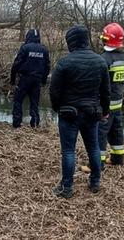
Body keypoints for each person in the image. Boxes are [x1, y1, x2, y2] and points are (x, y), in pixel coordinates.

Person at [49, 25, 110, 198]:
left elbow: (54, 91)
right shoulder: (100, 62)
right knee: (94, 148)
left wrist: (57, 108)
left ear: (71, 42)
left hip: (69, 113)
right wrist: (104, 111)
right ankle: (95, 182)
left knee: (68, 151)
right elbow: (106, 91)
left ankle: (67, 188)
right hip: (92, 112)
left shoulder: (64, 62)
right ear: (86, 40)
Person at [97, 23, 124, 169]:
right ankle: (117, 159)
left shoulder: (104, 58)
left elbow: (99, 84)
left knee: (100, 132)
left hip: (105, 104)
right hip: (118, 102)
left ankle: (97, 163)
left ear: (106, 39)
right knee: (116, 130)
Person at [10, 29, 51, 128]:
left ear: (28, 36)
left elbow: (16, 64)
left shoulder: (25, 48)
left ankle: (16, 122)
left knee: (18, 100)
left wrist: (12, 79)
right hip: (37, 80)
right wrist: (44, 80)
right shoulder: (44, 49)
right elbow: (47, 67)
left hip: (25, 78)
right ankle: (35, 123)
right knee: (34, 101)